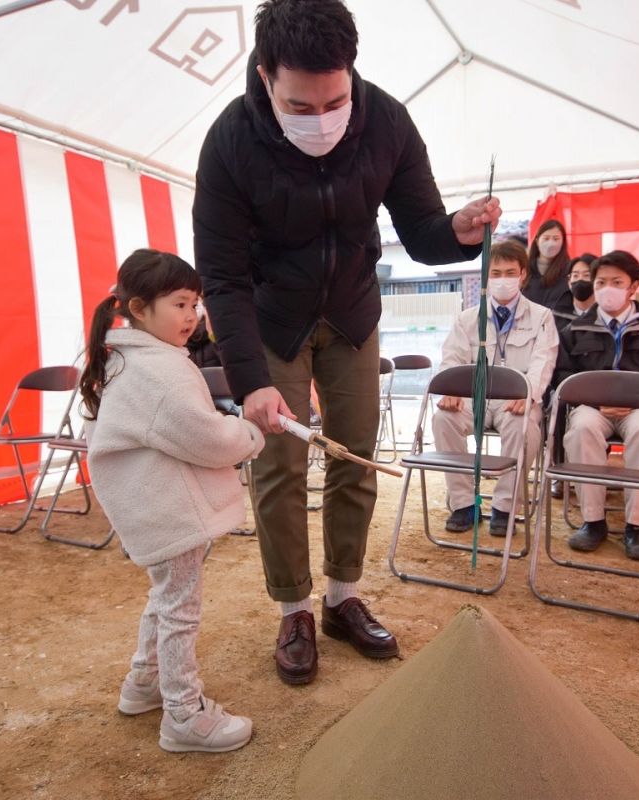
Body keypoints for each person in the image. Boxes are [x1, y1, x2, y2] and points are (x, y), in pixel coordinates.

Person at [193, 0, 500, 686]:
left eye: (335, 99)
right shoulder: (230, 142)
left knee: (356, 455)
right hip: (272, 318)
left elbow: (421, 229)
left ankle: (342, 596)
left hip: (354, 312)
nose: (323, 119)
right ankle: (294, 608)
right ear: (266, 76)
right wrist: (250, 380)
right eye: (300, 105)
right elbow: (221, 275)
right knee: (278, 463)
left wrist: (460, 230)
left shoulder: (384, 119)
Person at [81, 249, 265, 753]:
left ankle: (144, 682)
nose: (192, 316)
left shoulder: (131, 360)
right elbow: (206, 438)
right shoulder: (157, 371)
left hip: (154, 506)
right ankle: (183, 712)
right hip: (168, 509)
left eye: (195, 304)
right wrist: (249, 433)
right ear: (139, 308)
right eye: (180, 304)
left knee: (165, 596)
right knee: (180, 606)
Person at [552, 251, 639, 560]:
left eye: (617, 282)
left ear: (633, 286)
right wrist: (593, 400)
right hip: (593, 407)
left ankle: (636, 526)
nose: (607, 288)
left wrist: (638, 401)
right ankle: (593, 521)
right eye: (601, 282)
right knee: (581, 429)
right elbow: (562, 376)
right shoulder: (577, 329)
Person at [432, 240, 558, 536]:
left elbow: (544, 361)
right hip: (473, 399)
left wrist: (528, 393)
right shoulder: (467, 319)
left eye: (510, 272)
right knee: (442, 420)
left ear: (523, 274)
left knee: (523, 427)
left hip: (515, 400)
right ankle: (464, 504)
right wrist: (450, 389)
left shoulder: (542, 318)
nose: (503, 279)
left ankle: (505, 507)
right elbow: (452, 358)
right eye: (496, 273)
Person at [522, 219, 573, 311]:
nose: (551, 243)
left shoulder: (569, 270)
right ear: (537, 240)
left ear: (563, 242)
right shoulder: (524, 268)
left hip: (558, 324)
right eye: (546, 238)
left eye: (556, 239)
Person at [552, 252, 597, 323]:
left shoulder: (605, 315)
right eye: (575, 275)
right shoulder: (556, 316)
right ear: (569, 282)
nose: (580, 279)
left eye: (586, 275)